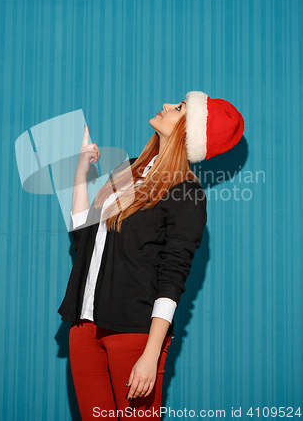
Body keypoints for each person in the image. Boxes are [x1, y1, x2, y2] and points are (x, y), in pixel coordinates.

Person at [58, 91, 245, 420]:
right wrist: (81, 172)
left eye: (179, 108)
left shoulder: (187, 193)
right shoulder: (128, 170)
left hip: (134, 334)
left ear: (190, 130)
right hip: (83, 329)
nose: (166, 106)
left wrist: (151, 353)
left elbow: (172, 277)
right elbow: (82, 238)